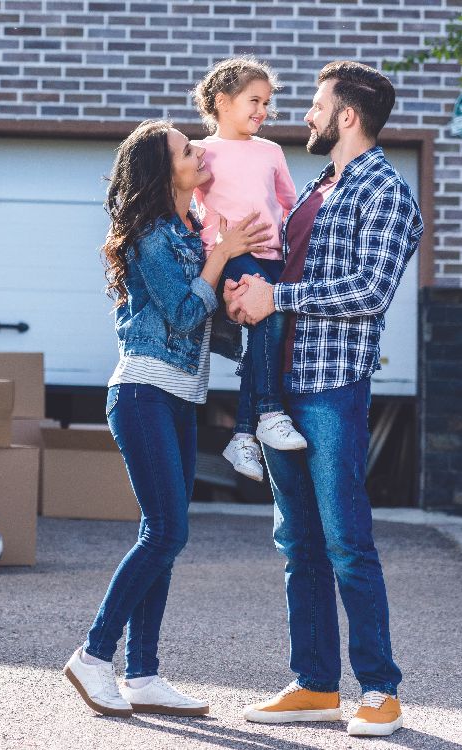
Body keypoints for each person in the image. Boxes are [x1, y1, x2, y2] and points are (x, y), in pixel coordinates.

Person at [225, 61, 423, 737]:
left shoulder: (386, 192)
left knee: (345, 542)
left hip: (330, 388)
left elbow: (368, 293)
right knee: (297, 543)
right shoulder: (315, 187)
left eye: (314, 105)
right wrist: (247, 295)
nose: (303, 115)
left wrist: (276, 296)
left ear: (346, 115)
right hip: (279, 388)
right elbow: (280, 272)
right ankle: (314, 684)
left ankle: (379, 689)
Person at [63, 119, 271, 718]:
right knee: (165, 532)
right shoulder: (150, 235)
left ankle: (144, 673)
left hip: (179, 395)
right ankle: (95, 655)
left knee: (165, 535)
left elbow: (206, 323)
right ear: (164, 171)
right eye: (187, 149)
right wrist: (223, 257)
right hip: (143, 393)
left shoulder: (188, 231)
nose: (200, 152)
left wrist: (244, 299)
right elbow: (182, 314)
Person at [191, 57, 306, 484]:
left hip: (271, 256)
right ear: (222, 102)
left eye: (267, 102)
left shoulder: (271, 152)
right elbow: (187, 203)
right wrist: (212, 253)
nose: (262, 110)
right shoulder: (202, 152)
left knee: (267, 334)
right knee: (267, 325)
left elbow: (288, 205)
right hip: (231, 254)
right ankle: (270, 413)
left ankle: (243, 434)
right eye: (253, 100)